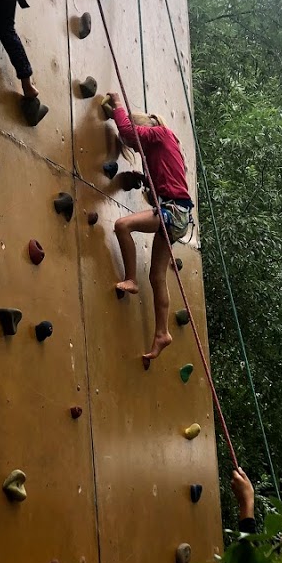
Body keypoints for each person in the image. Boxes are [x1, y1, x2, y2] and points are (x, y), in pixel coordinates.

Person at [104, 95, 194, 364]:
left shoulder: (160, 133)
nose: (135, 147)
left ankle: (131, 278)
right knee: (157, 277)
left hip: (173, 211)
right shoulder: (164, 146)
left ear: (146, 127)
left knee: (123, 225)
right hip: (179, 215)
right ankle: (162, 333)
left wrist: (118, 106)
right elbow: (165, 178)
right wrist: (143, 178)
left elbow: (128, 133)